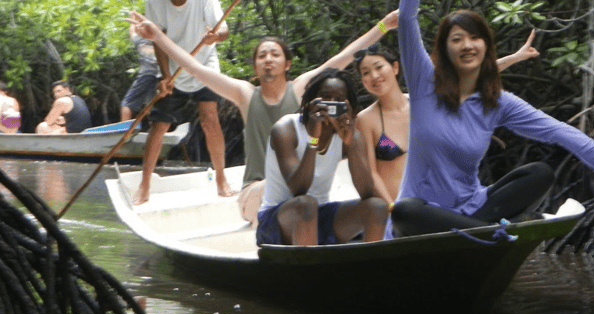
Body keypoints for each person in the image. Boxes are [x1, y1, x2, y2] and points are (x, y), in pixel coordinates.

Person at [389, 0, 594, 238]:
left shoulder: (498, 102)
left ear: (486, 46)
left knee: (540, 173)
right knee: (404, 210)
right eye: (457, 39)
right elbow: (406, 18)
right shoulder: (424, 82)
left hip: (474, 207)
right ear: (445, 49)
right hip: (422, 216)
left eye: (474, 37)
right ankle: (494, 232)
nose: (467, 45)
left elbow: (558, 131)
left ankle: (479, 232)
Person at [127, 9, 399, 222]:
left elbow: (343, 57)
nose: (268, 59)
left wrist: (384, 25)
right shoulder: (245, 94)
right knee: (283, 191)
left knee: (326, 193)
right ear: (255, 66)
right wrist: (157, 36)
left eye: (275, 54)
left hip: (300, 189)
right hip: (256, 193)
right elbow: (196, 68)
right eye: (262, 55)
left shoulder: (301, 88)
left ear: (287, 64)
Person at [354, 29, 540, 204]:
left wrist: (516, 57)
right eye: (366, 73)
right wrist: (391, 208)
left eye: (379, 67)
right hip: (402, 209)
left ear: (395, 67)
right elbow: (371, 174)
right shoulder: (366, 119)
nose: (374, 76)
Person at [257, 69, 388, 246]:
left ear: (348, 106)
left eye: (339, 100)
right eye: (326, 98)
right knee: (306, 204)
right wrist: (314, 139)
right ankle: (312, 273)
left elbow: (366, 192)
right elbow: (298, 189)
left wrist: (351, 143)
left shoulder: (349, 135)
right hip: (277, 221)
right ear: (311, 102)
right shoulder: (286, 129)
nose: (331, 104)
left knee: (377, 207)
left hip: (319, 215)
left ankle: (368, 271)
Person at [133, 0, 235, 205]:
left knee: (209, 118)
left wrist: (216, 36)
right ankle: (144, 185)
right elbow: (157, 38)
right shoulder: (155, 2)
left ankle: (221, 179)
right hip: (174, 65)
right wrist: (165, 76)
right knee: (159, 124)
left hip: (204, 63)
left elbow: (223, 29)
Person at [120, 22, 161, 121]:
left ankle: (123, 131)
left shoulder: (139, 41)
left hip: (145, 75)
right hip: (160, 76)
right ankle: (155, 131)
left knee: (126, 104)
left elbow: (132, 31)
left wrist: (133, 20)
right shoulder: (161, 41)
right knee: (150, 105)